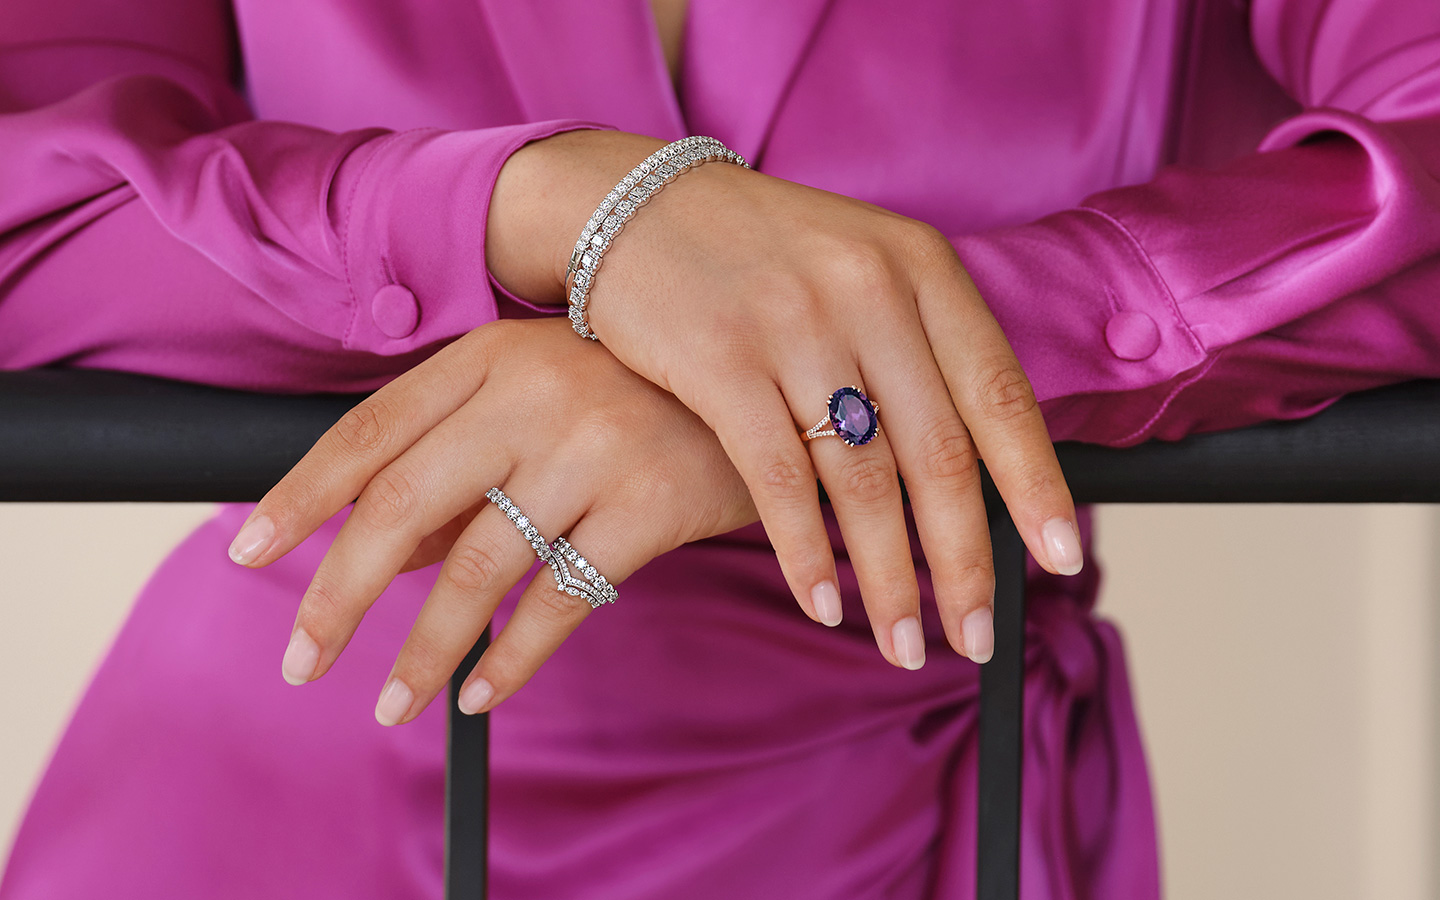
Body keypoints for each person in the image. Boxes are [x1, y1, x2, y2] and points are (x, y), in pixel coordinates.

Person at [2, 0, 1438, 897]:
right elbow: (33, 193)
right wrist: (547, 212)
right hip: (277, 801)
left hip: (889, 810)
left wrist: (851, 346)